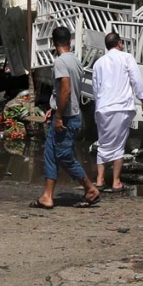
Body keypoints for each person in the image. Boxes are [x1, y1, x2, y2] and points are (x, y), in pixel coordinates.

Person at [31, 26, 102, 210]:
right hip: (66, 113)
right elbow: (65, 92)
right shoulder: (76, 61)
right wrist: (54, 110)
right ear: (69, 42)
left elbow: (66, 89)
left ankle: (90, 189)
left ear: (53, 43)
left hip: (67, 117)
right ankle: (47, 196)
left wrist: (60, 116)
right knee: (50, 153)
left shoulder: (61, 62)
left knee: (63, 155)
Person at [92, 32, 143, 192]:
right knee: (118, 145)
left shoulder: (98, 63)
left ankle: (100, 179)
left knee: (103, 143)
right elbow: (136, 80)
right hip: (122, 106)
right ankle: (116, 182)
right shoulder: (127, 58)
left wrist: (99, 105)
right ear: (119, 43)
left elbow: (96, 88)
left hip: (103, 107)